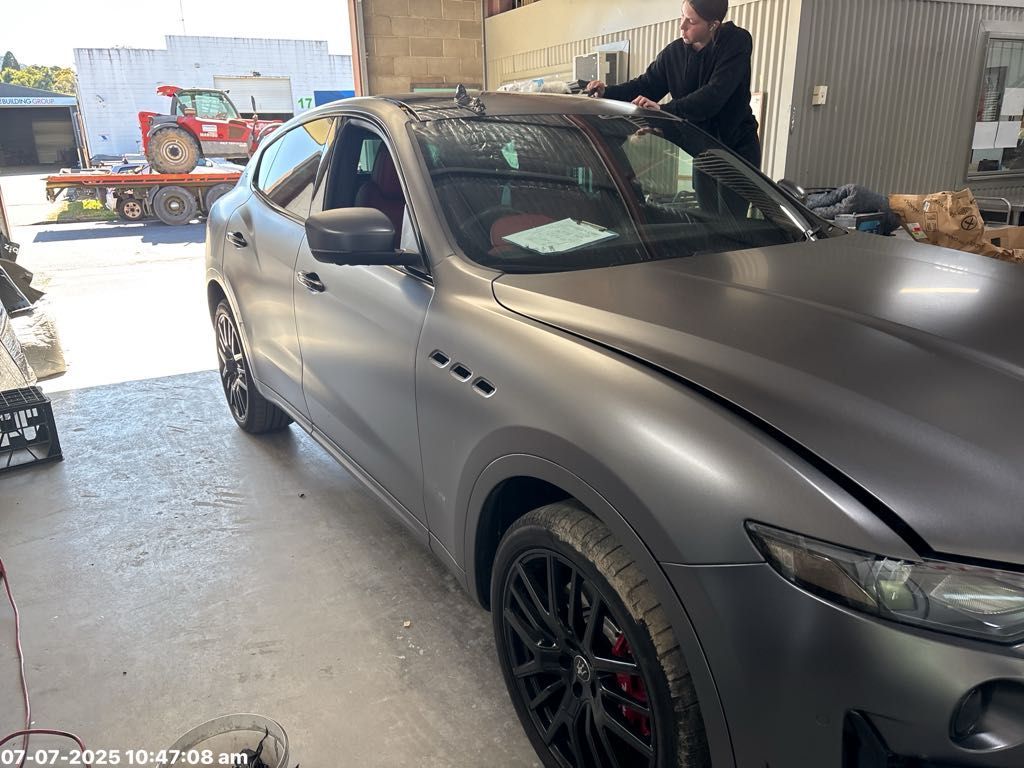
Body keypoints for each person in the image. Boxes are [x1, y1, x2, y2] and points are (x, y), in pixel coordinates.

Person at [588, 0, 760, 218]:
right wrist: (607, 92)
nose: (682, 26)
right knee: (710, 223)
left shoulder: (736, 42)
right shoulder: (674, 54)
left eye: (691, 21)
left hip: (737, 151)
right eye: (682, 16)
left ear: (713, 25)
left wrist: (663, 109)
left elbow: (714, 95)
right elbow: (646, 85)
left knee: (733, 225)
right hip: (703, 151)